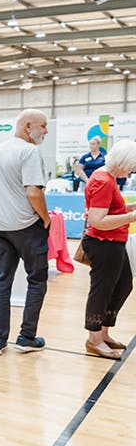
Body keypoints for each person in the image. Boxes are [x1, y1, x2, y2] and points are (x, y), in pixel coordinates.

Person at [0, 109, 51, 355]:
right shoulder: (30, 151)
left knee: (1, 282)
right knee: (37, 280)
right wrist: (45, 218)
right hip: (25, 225)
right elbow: (33, 192)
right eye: (43, 125)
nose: (45, 131)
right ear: (27, 126)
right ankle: (26, 337)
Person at [81, 140, 136, 360]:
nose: (132, 171)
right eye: (132, 166)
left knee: (122, 285)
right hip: (104, 243)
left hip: (113, 242)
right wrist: (131, 217)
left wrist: (126, 208)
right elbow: (98, 221)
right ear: (123, 162)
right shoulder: (103, 180)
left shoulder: (108, 178)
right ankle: (94, 339)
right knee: (102, 290)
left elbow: (106, 210)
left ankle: (102, 333)